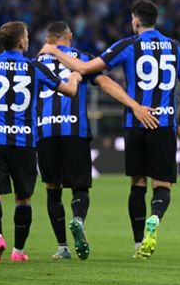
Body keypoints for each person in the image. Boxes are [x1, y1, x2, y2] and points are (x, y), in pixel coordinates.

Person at [40, 0, 180, 259]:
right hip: (164, 122)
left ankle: (137, 244)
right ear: (155, 20)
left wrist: (55, 51)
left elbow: (85, 68)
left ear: (135, 21)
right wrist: (178, 121)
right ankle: (155, 217)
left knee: (137, 182)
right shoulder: (174, 46)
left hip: (136, 122)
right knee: (163, 184)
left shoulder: (128, 45)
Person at [36, 21, 159, 261]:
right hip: (75, 130)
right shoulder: (81, 58)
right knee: (80, 188)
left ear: (48, 39)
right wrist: (133, 105)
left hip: (45, 131)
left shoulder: (36, 62)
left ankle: (62, 247)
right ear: (69, 36)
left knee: (52, 189)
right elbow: (105, 83)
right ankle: (78, 219)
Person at [0, 21, 82, 265]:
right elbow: (69, 91)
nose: (28, 39)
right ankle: (18, 250)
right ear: (21, 42)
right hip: (25, 141)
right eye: (26, 36)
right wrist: (76, 78)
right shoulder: (34, 67)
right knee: (23, 198)